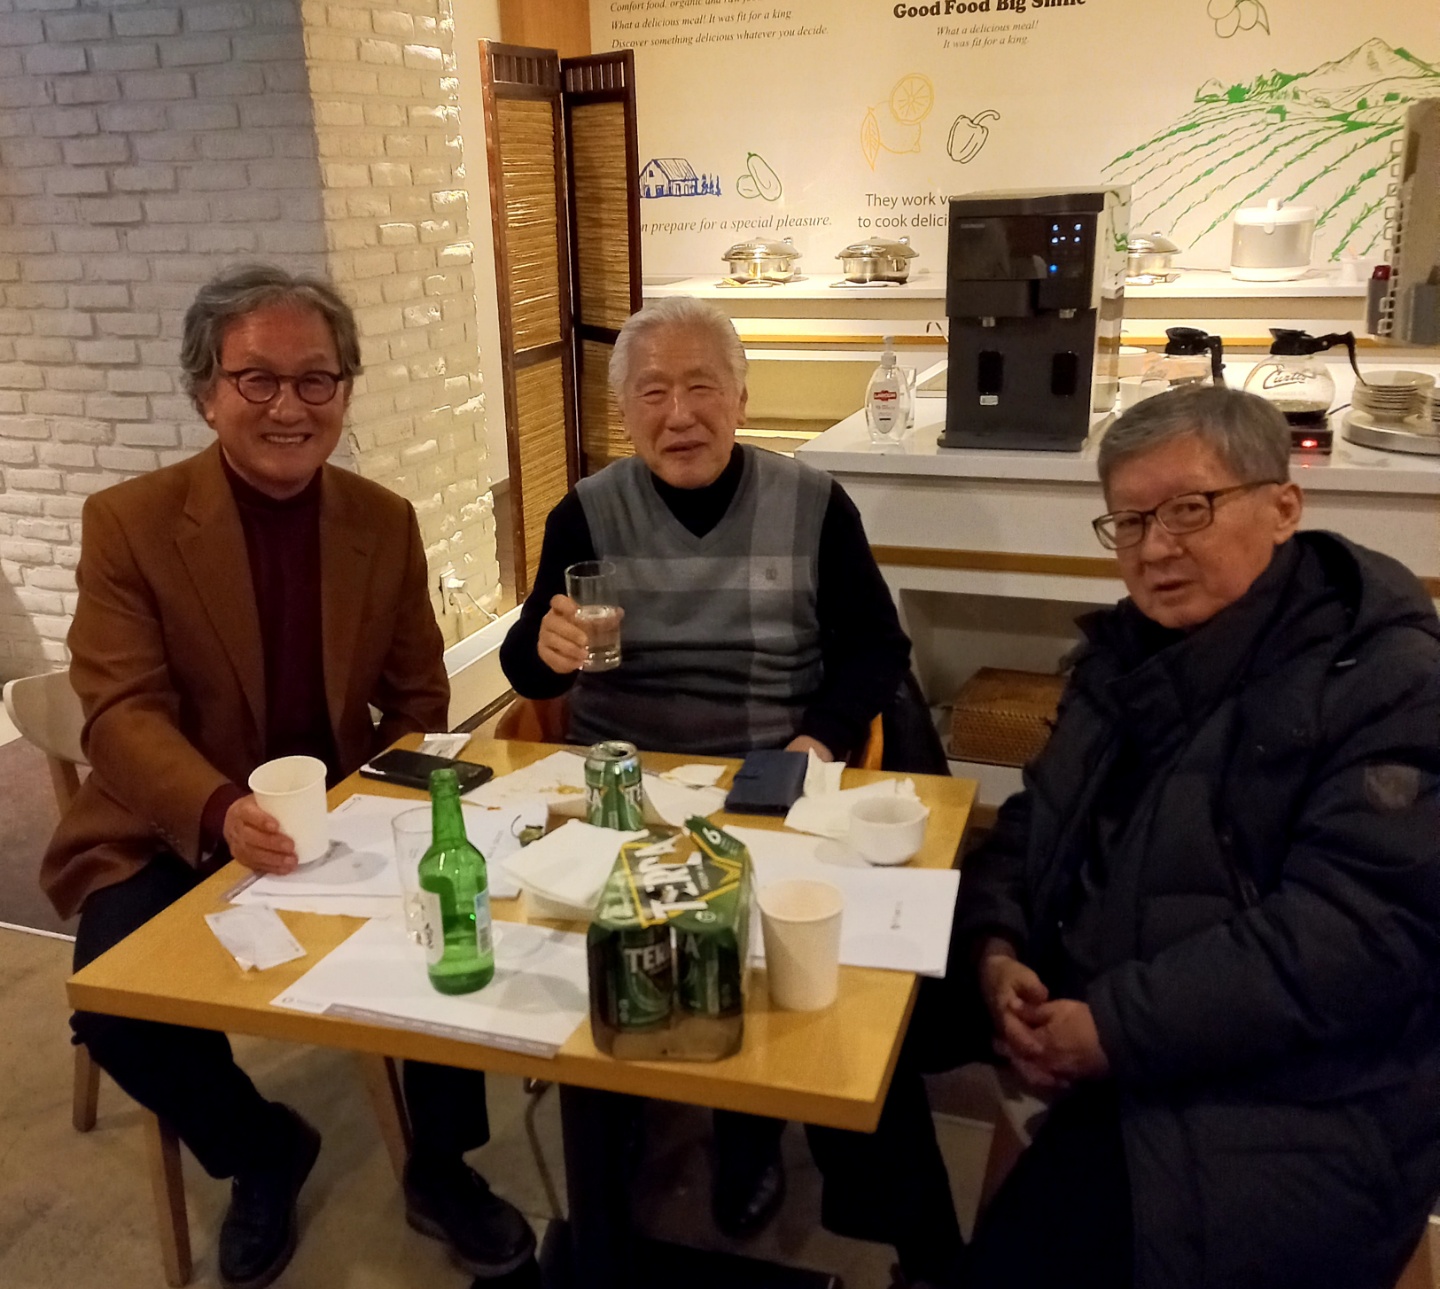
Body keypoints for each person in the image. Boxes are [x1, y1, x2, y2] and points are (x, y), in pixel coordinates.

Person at [43, 265, 535, 1289]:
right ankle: (263, 1148)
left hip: (338, 810)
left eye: (317, 379)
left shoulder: (381, 519)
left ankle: (442, 1168)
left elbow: (417, 695)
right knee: (118, 998)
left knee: (450, 906)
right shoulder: (130, 521)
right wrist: (222, 809)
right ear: (205, 391)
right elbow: (120, 713)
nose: (289, 406)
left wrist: (377, 799)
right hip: (172, 820)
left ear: (345, 390)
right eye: (257, 379)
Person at [951, 385, 1440, 1289]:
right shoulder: (1123, 655)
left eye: (1190, 509)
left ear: (1283, 506)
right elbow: (1037, 817)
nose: (1155, 549)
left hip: (1291, 1092)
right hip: (1115, 1029)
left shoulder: (1383, 677)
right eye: (1130, 522)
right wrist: (996, 946)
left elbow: (1356, 935)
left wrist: (1111, 1029)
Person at [499, 297, 945, 1270]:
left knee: (805, 957)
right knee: (568, 933)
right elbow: (528, 664)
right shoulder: (587, 510)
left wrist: (818, 739)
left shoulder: (812, 501)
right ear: (625, 411)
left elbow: (878, 646)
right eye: (653, 392)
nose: (680, 414)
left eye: (702, 386)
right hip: (623, 785)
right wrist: (544, 644)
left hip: (767, 773)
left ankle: (753, 1122)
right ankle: (611, 1107)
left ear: (741, 397)